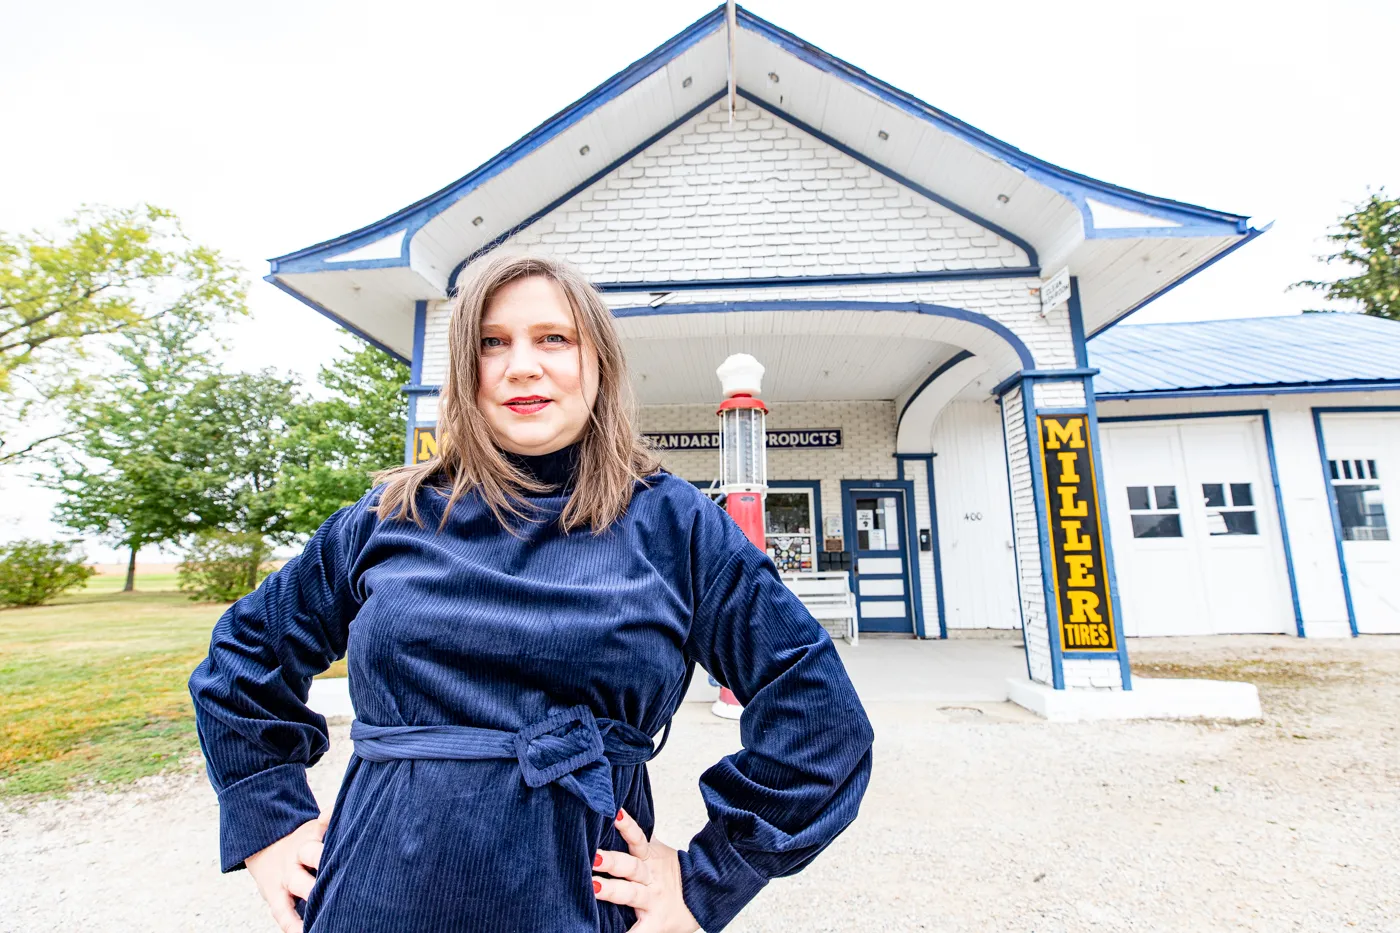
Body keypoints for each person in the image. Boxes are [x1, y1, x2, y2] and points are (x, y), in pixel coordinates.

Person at [187, 252, 875, 933]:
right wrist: (268, 824)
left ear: (597, 361)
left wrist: (706, 881)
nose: (522, 364)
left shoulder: (676, 524)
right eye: (492, 342)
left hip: (575, 902)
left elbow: (819, 716)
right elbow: (242, 661)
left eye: (554, 338)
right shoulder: (390, 515)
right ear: (466, 369)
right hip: (376, 898)